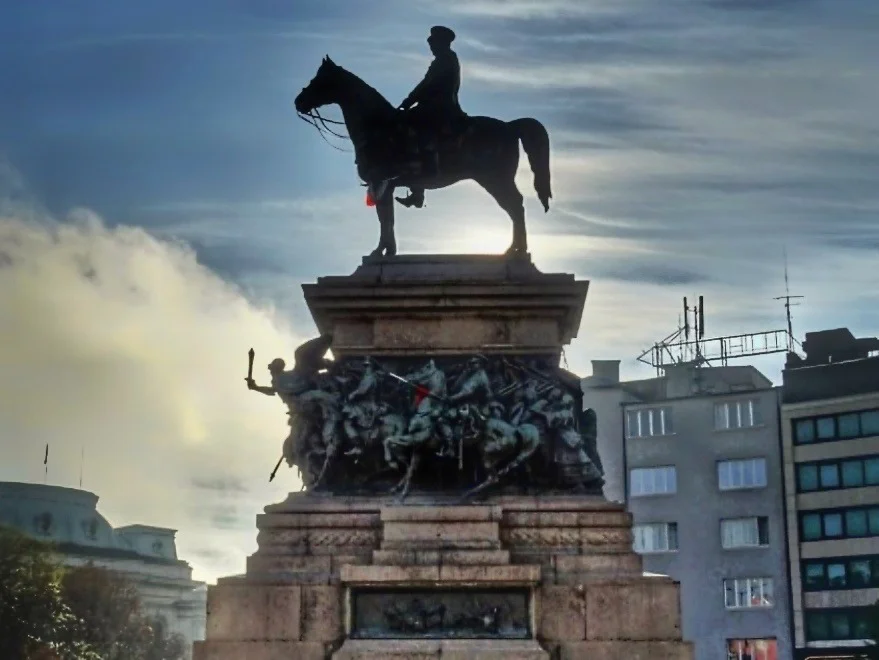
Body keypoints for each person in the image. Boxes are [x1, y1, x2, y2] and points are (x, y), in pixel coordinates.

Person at [395, 25, 463, 209]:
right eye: (431, 43)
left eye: (433, 43)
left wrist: (408, 102)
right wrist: (409, 101)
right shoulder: (442, 60)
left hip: (441, 107)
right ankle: (417, 190)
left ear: (442, 43)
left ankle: (426, 169)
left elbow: (427, 85)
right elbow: (425, 84)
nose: (431, 46)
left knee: (412, 127)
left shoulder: (446, 59)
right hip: (434, 105)